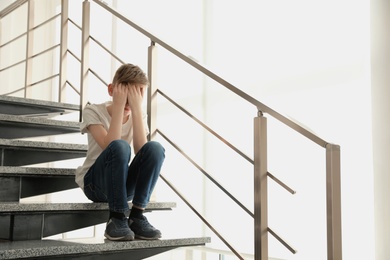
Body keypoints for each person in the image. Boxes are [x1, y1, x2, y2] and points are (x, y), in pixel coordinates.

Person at [75, 63, 165, 241]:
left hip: (123, 186)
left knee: (155, 148)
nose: (130, 101)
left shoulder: (138, 114)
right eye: (127, 94)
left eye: (136, 96)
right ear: (112, 90)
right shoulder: (93, 111)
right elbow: (109, 145)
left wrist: (138, 110)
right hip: (95, 184)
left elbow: (142, 152)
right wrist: (118, 107)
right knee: (120, 146)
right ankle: (115, 218)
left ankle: (137, 216)